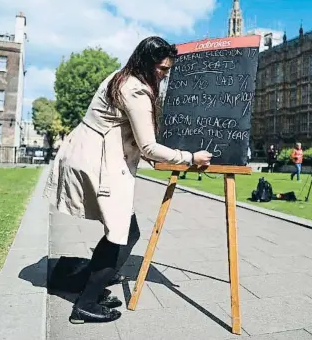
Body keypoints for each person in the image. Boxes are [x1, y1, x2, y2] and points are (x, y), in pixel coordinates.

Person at [44, 36, 212, 324]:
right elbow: (147, 145)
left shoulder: (121, 77)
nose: (163, 75)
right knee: (121, 234)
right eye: (160, 69)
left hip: (95, 155)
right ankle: (85, 304)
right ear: (146, 64)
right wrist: (190, 157)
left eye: (166, 70)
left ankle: (88, 289)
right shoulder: (134, 90)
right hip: (99, 161)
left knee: (123, 232)